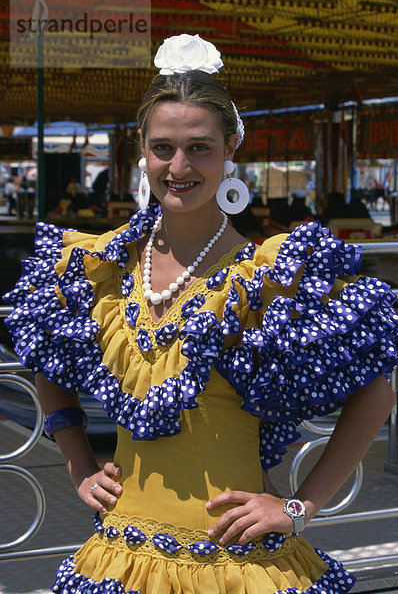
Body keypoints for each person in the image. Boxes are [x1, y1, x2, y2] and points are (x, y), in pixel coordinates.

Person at [3, 34, 398, 594]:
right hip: (120, 557)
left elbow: (378, 391)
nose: (178, 166)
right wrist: (78, 462)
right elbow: (48, 352)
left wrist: (299, 505)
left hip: (236, 565)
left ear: (231, 148)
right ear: (142, 150)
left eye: (200, 148)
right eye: (163, 148)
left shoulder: (270, 275)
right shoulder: (101, 265)